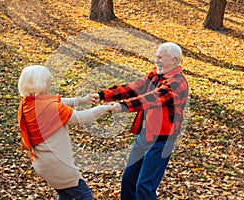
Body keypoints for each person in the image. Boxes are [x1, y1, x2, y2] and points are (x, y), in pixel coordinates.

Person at [91, 42, 188, 200]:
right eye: (156, 56)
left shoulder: (177, 82)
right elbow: (134, 88)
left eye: (160, 57)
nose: (156, 60)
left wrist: (123, 107)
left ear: (174, 60)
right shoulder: (155, 75)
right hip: (143, 136)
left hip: (161, 141)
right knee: (128, 180)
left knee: (144, 186)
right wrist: (103, 95)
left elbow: (153, 99)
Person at [17, 65, 112, 200]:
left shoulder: (28, 103)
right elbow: (80, 118)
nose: (50, 82)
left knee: (65, 193)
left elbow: (55, 100)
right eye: (48, 80)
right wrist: (105, 108)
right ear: (40, 83)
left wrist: (81, 100)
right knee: (84, 195)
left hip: (42, 162)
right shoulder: (50, 108)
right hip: (56, 163)